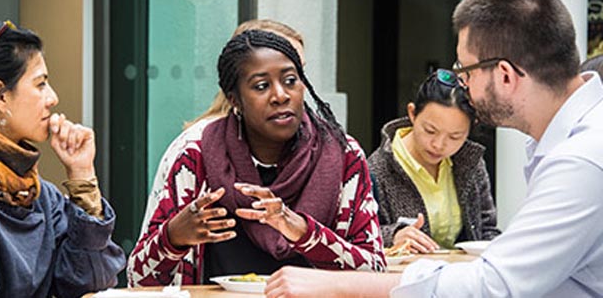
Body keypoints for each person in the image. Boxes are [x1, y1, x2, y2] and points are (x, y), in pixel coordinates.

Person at [264, 0, 603, 297]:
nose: (463, 84)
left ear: (504, 75)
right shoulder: (577, 139)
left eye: (465, 70)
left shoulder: (581, 161)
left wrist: (339, 285)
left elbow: (492, 285)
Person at [128, 29, 386, 286]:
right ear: (234, 99)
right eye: (262, 86)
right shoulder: (196, 156)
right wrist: (172, 237)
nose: (281, 95)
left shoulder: (343, 155)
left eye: (290, 81)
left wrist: (303, 231)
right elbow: (137, 280)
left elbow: (374, 271)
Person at [0, 19, 126, 297]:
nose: (53, 98)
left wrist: (82, 178)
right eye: (41, 84)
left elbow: (91, 283)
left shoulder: (40, 195)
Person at [140, 19, 305, 234]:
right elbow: (149, 254)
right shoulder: (194, 149)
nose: (282, 92)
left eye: (294, 75)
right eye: (263, 82)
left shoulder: (320, 146)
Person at [369, 69, 500, 253]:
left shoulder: (470, 162)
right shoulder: (377, 169)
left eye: (455, 137)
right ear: (412, 114)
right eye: (430, 131)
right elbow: (358, 236)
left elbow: (487, 230)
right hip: (405, 276)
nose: (439, 145)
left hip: (462, 274)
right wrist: (394, 235)